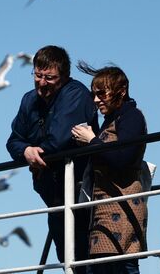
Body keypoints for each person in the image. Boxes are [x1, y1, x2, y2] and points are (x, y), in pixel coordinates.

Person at [6, 45, 98, 272]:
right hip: (53, 194)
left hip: (82, 193)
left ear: (64, 77)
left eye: (49, 77)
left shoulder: (75, 94)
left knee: (86, 254)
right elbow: (13, 140)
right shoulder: (29, 100)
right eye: (38, 76)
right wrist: (26, 151)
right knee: (66, 253)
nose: (42, 82)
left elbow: (59, 140)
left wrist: (36, 154)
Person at [71, 62, 147, 274]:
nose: (96, 100)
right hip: (104, 212)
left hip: (122, 210)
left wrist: (93, 140)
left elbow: (122, 158)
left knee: (120, 266)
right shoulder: (112, 120)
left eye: (102, 93)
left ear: (121, 92)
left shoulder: (132, 117)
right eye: (94, 94)